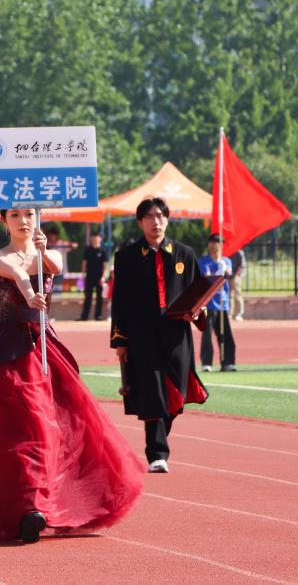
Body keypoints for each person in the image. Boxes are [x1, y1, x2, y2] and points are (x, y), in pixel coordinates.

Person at [0, 208, 144, 544]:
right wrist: (29, 293)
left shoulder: (50, 255)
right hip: (10, 351)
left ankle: (42, 505)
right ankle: (27, 508)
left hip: (45, 347)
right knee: (23, 428)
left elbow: (53, 266)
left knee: (59, 425)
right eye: (15, 215)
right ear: (4, 220)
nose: (23, 220)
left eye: (29, 214)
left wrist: (42, 253)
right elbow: (16, 271)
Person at [110, 198, 208, 473]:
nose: (156, 221)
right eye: (150, 216)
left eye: (161, 216)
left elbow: (199, 293)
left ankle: (160, 435)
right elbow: (120, 301)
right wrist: (120, 340)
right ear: (140, 222)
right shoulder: (126, 257)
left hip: (177, 335)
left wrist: (198, 313)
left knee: (176, 394)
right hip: (142, 336)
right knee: (152, 392)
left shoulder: (185, 254)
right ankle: (157, 453)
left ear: (167, 219)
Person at [198, 235, 237, 372]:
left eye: (219, 242)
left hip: (222, 302)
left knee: (225, 333)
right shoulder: (203, 261)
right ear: (210, 244)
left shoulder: (226, 261)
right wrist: (219, 273)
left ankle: (227, 362)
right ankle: (207, 362)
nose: (217, 245)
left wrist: (226, 272)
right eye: (214, 242)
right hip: (208, 302)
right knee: (207, 334)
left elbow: (229, 277)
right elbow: (206, 277)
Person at [79, 232, 108, 321]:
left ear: (100, 239)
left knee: (99, 297)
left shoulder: (103, 251)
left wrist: (103, 277)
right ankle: (84, 316)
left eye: (97, 237)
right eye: (93, 237)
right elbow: (84, 263)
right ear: (91, 239)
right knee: (88, 296)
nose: (95, 239)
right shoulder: (88, 250)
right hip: (89, 276)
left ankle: (98, 316)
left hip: (99, 277)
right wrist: (83, 274)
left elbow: (105, 265)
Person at [229, 248, 246, 320]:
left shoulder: (239, 253)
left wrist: (234, 275)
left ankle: (239, 313)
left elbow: (241, 266)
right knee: (229, 296)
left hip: (236, 276)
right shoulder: (228, 251)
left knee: (237, 295)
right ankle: (229, 313)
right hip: (228, 276)